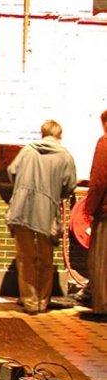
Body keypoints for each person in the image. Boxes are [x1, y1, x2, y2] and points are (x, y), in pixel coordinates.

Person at [6, 119, 77, 315]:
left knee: (25, 257)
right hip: (47, 210)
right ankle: (42, 301)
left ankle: (29, 301)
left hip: (22, 207)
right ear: (59, 135)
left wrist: (22, 188)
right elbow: (70, 185)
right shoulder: (65, 156)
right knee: (45, 258)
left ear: (42, 133)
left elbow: (12, 171)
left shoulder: (27, 150)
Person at [82, 110, 107, 321]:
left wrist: (89, 208)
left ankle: (102, 308)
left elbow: (99, 180)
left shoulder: (105, 143)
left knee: (101, 261)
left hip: (106, 213)